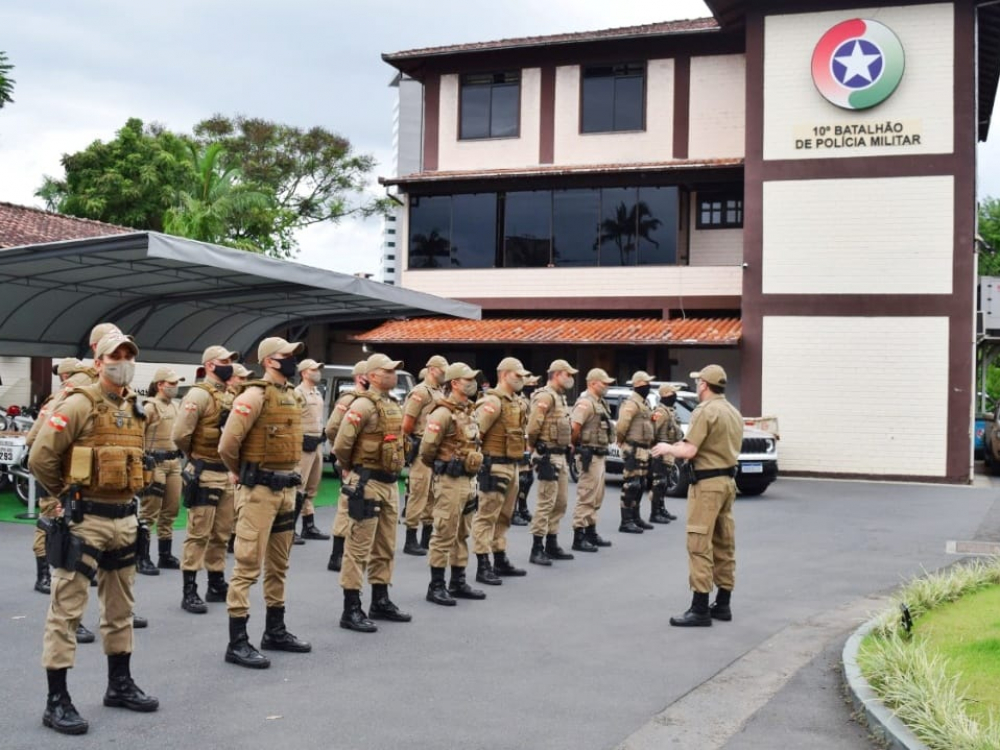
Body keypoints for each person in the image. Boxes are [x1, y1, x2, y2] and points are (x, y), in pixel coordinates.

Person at [30, 330, 159, 735]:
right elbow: (41, 457)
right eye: (115, 355)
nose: (123, 360)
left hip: (124, 517)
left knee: (121, 609)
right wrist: (65, 496)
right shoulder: (79, 403)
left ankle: (119, 684)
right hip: (86, 520)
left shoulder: (135, 408)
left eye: (128, 354)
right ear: (98, 361)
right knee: (66, 611)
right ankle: (57, 701)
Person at [219, 337, 312, 667]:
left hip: (286, 490)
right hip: (258, 492)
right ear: (270, 361)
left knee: (279, 564)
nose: (293, 361)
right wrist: (240, 473)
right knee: (246, 566)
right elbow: (228, 444)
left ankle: (275, 630)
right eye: (287, 356)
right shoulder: (254, 395)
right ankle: (237, 641)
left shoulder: (291, 395)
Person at [652, 365, 742, 627]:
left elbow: (690, 450)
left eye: (698, 382)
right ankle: (723, 603)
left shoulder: (705, 410)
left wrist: (668, 447)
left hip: (707, 485)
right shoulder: (732, 411)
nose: (697, 386)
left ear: (704, 384)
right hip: (727, 482)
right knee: (724, 542)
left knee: (699, 542)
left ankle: (700, 607)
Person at [333, 353, 411, 632]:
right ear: (374, 375)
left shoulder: (393, 403)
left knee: (386, 545)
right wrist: (349, 469)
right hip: (366, 482)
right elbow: (341, 442)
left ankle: (380, 599)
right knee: (358, 547)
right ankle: (351, 608)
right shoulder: (363, 405)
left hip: (389, 483)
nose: (394, 374)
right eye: (389, 371)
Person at [172, 345, 239, 613]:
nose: (229, 366)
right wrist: (194, 455)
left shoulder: (230, 395)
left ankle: (215, 582)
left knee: (222, 533)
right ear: (210, 365)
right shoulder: (199, 395)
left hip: (225, 473)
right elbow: (179, 434)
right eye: (224, 361)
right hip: (204, 472)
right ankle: (190, 590)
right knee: (198, 533)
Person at [421, 362, 487, 606]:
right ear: (455, 382)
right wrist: (442, 466)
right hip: (449, 480)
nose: (473, 383)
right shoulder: (442, 413)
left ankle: (457, 580)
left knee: (463, 531)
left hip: (469, 480)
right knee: (444, 532)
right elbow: (427, 449)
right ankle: (436, 585)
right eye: (467, 379)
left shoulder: (469, 410)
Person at [472, 357, 531, 584]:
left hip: (512, 464)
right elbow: (476, 433)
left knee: (505, 515)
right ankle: (483, 564)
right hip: (494, 465)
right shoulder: (493, 402)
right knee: (487, 516)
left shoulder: (515, 401)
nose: (522, 380)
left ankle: (499, 556)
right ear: (504, 375)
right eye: (518, 376)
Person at [525, 360, 577, 566]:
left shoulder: (560, 398)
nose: (570, 378)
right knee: (546, 502)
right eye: (568, 374)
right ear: (556, 375)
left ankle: (552, 542)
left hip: (560, 455)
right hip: (547, 456)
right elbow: (533, 426)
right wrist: (534, 448)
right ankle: (537, 547)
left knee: (560, 502)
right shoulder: (545, 396)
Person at [136, 368, 185, 575]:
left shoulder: (175, 407)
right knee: (149, 511)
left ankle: (165, 555)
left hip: (174, 463)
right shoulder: (149, 407)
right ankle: (142, 557)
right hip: (154, 463)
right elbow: (137, 435)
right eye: (170, 383)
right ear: (159, 385)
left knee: (171, 510)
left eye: (176, 383)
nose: (174, 387)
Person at [401, 355, 448, 555]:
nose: (444, 373)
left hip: (434, 449)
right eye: (441, 369)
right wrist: (414, 443)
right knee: (418, 493)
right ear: (431, 369)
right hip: (421, 447)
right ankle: (410, 539)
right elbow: (407, 424)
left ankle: (426, 538)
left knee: (432, 494)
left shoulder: (439, 392)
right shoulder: (420, 392)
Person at [324, 360, 368, 572]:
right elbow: (332, 428)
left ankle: (354, 550)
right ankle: (337, 554)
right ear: (361, 377)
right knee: (346, 505)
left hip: (365, 462)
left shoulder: (373, 400)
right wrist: (342, 456)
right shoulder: (350, 399)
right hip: (350, 461)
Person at [569, 368, 616, 552]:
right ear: (592, 383)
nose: (606, 386)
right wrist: (576, 446)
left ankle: (591, 531)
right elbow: (574, 428)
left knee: (597, 495)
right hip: (589, 455)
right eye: (604, 383)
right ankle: (579, 535)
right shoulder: (586, 403)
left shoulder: (600, 402)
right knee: (587, 495)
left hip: (599, 454)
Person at [294, 358, 330, 544]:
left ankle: (308, 526)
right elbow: (292, 421)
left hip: (316, 444)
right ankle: (289, 528)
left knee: (312, 487)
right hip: (303, 445)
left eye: (318, 369)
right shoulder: (297, 393)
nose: (318, 372)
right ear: (304, 372)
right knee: (298, 486)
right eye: (314, 369)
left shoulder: (317, 392)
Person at [616, 371, 656, 534]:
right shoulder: (631, 403)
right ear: (640, 384)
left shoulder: (644, 403)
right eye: (647, 383)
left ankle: (635, 517)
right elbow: (621, 426)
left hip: (643, 449)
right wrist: (622, 441)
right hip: (633, 448)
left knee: (640, 485)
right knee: (631, 484)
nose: (649, 387)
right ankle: (625, 521)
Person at [649, 384, 682, 524]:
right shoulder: (660, 412)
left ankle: (661, 508)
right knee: (659, 482)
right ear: (667, 395)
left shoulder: (670, 411)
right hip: (661, 451)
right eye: (673, 393)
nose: (675, 396)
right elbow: (652, 431)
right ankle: (655, 512)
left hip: (669, 450)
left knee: (665, 482)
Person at [511, 375, 539, 526]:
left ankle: (522, 507)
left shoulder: (529, 399)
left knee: (528, 478)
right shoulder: (517, 399)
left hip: (527, 443)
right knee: (519, 480)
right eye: (532, 383)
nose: (534, 385)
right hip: (519, 443)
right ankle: (512, 511)